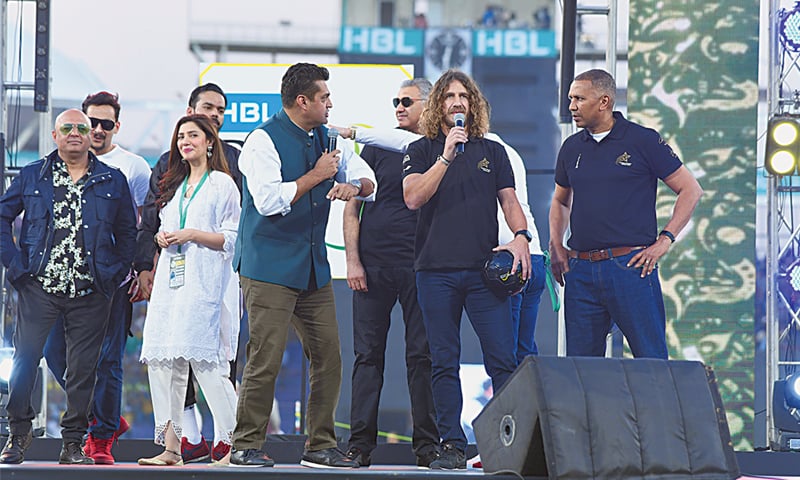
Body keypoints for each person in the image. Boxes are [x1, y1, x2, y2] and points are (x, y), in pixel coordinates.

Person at [230, 62, 376, 469]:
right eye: (324, 98)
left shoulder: (328, 137)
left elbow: (367, 179)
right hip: (268, 267)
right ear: (302, 101)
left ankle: (320, 446)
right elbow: (267, 201)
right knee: (265, 358)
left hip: (312, 266)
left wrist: (354, 186)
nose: (330, 104)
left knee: (329, 356)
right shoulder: (262, 141)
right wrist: (316, 176)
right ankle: (245, 445)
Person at [401, 69, 531, 470]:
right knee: (443, 360)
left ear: (473, 105)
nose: (457, 102)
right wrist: (446, 156)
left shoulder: (493, 152)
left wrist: (521, 236)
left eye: (464, 96)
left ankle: (510, 445)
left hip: (483, 273)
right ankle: (452, 446)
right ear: (438, 104)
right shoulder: (420, 150)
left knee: (502, 360)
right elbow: (413, 198)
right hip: (435, 272)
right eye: (449, 96)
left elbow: (509, 201)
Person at [0, 109, 136, 465]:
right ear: (55, 135)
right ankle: (18, 433)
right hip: (38, 287)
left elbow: (128, 232)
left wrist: (115, 272)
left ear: (91, 136)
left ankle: (73, 443)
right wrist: (15, 265)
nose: (74, 133)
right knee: (25, 361)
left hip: (91, 291)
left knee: (83, 370)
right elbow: (2, 216)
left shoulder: (113, 179)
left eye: (81, 128)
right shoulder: (33, 174)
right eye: (67, 128)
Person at [548, 69, 703, 359]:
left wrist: (665, 240)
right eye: (570, 99)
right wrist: (556, 243)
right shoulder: (571, 147)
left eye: (579, 99)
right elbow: (560, 201)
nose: (571, 106)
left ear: (604, 102)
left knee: (651, 360)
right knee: (581, 367)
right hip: (581, 270)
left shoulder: (642, 140)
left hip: (630, 266)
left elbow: (690, 190)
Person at [132, 82, 242, 463]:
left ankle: (235, 442)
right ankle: (171, 447)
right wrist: (162, 238)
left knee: (208, 365)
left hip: (206, 284)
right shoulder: (174, 184)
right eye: (181, 136)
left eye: (193, 135)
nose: (185, 142)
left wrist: (192, 234)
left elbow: (232, 239)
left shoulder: (223, 183)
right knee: (164, 363)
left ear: (210, 142)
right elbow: (158, 225)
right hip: (171, 284)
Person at [41, 91, 150, 464]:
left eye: (106, 123)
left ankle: (101, 438)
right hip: (61, 281)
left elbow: (144, 224)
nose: (98, 130)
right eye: (92, 123)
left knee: (107, 360)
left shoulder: (133, 167)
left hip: (110, 282)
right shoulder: (57, 164)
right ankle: (103, 417)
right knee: (53, 352)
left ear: (116, 126)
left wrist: (139, 269)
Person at [339, 79, 439, 469]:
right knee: (367, 357)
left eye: (407, 101)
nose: (399, 106)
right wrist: (353, 261)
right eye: (396, 100)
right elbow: (352, 207)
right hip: (373, 266)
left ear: (429, 104)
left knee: (422, 357)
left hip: (422, 267)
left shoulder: (440, 149)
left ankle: (428, 447)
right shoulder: (377, 147)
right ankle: (359, 446)